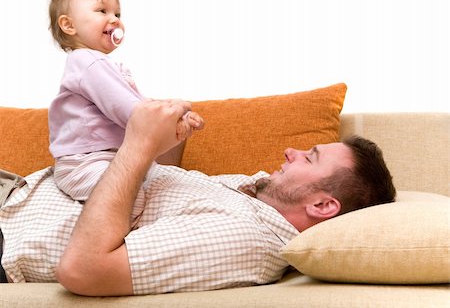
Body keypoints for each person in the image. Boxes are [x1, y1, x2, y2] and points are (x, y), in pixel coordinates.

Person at [0, 99, 396, 295]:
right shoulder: (258, 193)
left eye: (309, 158)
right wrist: (169, 141)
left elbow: (84, 270)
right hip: (13, 188)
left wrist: (137, 146)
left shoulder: (245, 239)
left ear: (323, 206)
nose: (290, 152)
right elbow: (156, 193)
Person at [47, 0, 204, 224]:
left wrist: (174, 116)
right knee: (133, 201)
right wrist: (169, 118)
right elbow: (129, 111)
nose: (115, 19)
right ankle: (118, 246)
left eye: (117, 13)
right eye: (101, 11)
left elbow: (136, 103)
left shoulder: (105, 65)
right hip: (83, 164)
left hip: (112, 159)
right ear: (68, 25)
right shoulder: (86, 61)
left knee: (166, 183)